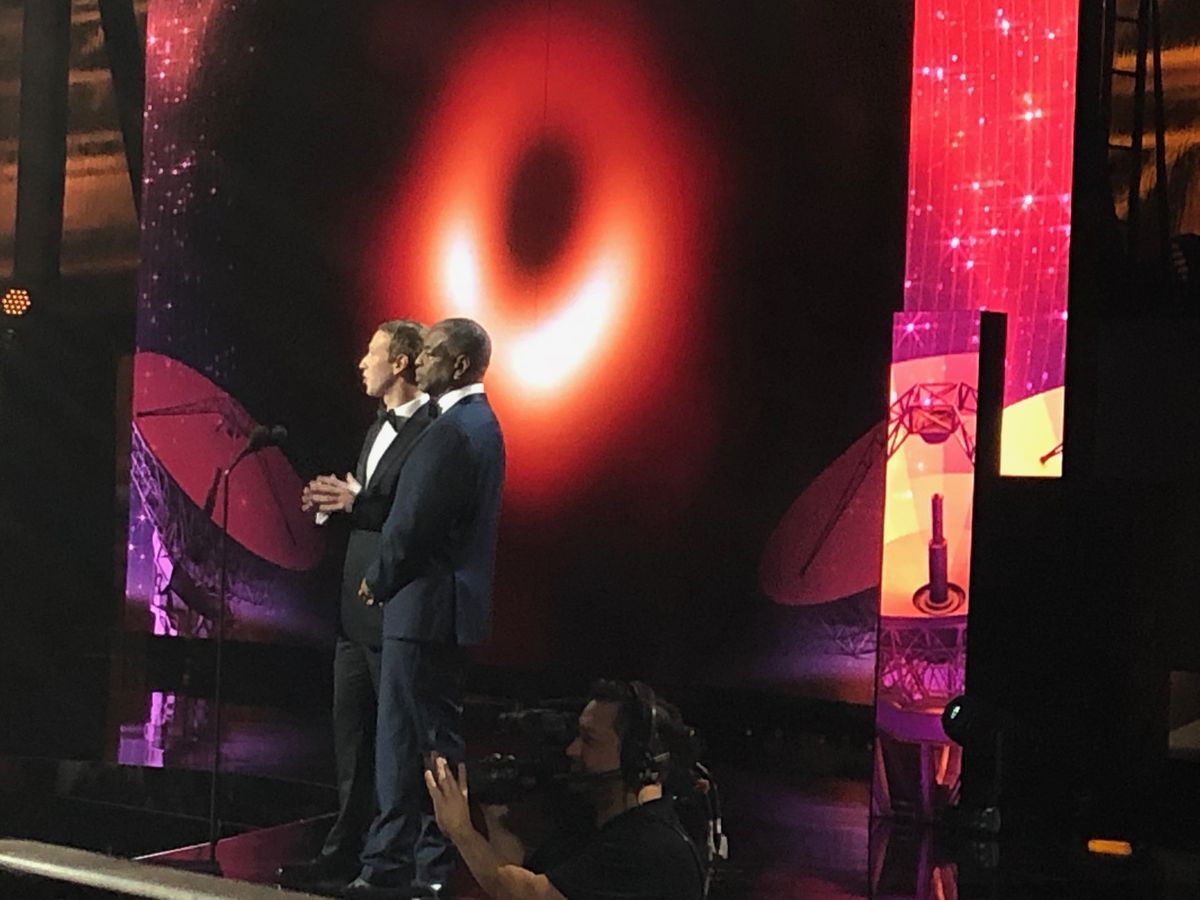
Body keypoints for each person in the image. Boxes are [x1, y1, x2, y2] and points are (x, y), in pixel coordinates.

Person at [345, 318, 506, 899]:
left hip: (425, 608)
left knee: (423, 739)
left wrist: (380, 576)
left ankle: (424, 868)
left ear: (459, 365)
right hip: (436, 608)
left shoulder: (454, 430)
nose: (422, 361)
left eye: (433, 353)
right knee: (412, 738)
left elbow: (415, 521)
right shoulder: (477, 425)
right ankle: (399, 861)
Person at [277, 320, 435, 892]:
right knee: (352, 746)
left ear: (400, 363)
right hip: (353, 611)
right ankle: (343, 854)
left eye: (372, 353)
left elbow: (418, 519)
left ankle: (393, 864)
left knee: (395, 747)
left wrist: (358, 501)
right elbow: (370, 504)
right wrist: (334, 500)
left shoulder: (433, 432)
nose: (361, 362)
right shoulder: (376, 428)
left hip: (394, 612)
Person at [424, 681, 706, 900]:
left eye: (589, 740)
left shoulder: (650, 847)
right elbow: (520, 873)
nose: (572, 750)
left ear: (636, 758)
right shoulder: (594, 826)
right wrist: (493, 815)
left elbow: (530, 894)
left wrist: (460, 830)